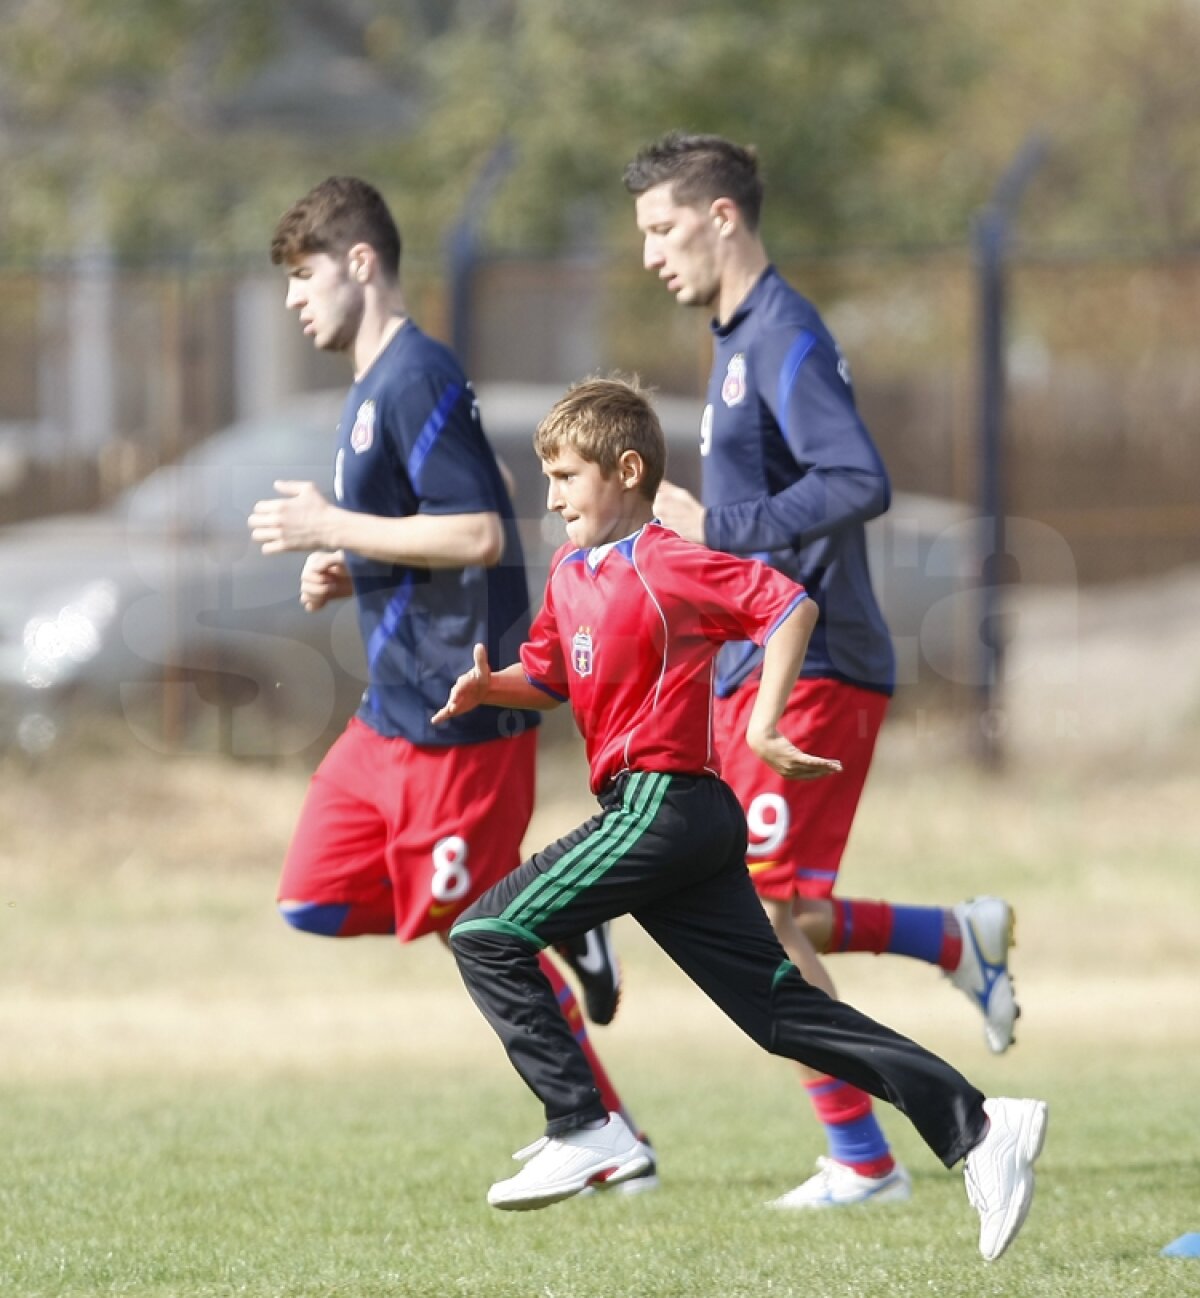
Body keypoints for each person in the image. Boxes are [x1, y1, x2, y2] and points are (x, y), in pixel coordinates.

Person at [434, 377, 1046, 1262]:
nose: (554, 494)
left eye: (567, 475)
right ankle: (982, 1125)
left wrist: (762, 720)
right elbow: (552, 676)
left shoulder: (666, 559)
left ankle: (585, 1126)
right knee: (781, 1016)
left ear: (628, 470)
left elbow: (788, 604)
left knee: (486, 931)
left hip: (665, 806)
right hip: (676, 822)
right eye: (549, 477)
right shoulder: (573, 573)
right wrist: (495, 688)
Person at [623, 131, 1018, 1208]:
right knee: (764, 897)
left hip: (821, 661)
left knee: (751, 906)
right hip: (767, 663)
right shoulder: (734, 335)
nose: (651, 252)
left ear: (721, 217)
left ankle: (863, 1154)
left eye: (663, 228)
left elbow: (857, 478)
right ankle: (947, 937)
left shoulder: (783, 334)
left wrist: (723, 524)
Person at [247, 176, 652, 1188]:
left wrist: (332, 527)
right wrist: (356, 563)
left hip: (453, 718)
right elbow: (468, 510)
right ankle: (556, 918)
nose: (295, 300)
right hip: (389, 716)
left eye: (305, 276)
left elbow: (478, 529)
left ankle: (607, 1134)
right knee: (314, 898)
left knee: (478, 929)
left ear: (362, 263)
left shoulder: (415, 375)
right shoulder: (374, 385)